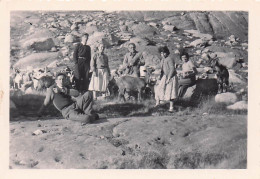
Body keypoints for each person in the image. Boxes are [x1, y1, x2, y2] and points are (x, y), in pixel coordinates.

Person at [155, 46, 178, 112]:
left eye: (164, 53)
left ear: (167, 53)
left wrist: (169, 78)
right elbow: (160, 65)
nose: (163, 54)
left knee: (171, 92)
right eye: (162, 53)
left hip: (171, 77)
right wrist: (153, 67)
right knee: (159, 88)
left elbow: (172, 69)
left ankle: (171, 108)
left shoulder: (169, 59)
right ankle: (158, 104)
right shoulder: (163, 59)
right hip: (165, 76)